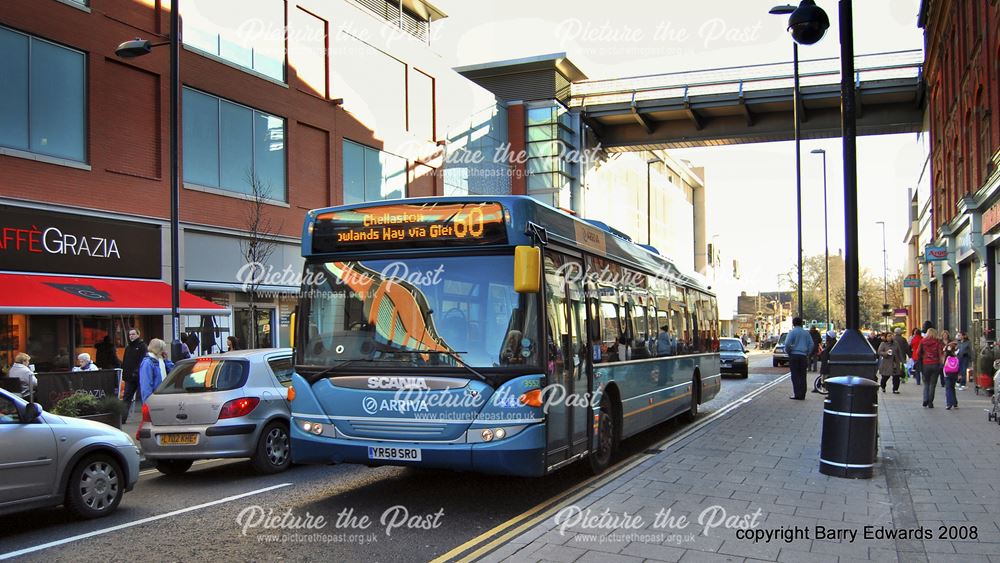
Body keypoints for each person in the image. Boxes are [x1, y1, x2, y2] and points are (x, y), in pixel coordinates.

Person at [121, 328, 148, 424]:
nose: (131, 336)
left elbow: (142, 360)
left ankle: (147, 418)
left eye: (133, 334)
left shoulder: (142, 346)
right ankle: (122, 419)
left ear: (138, 335)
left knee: (143, 398)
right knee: (126, 398)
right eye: (130, 335)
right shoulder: (128, 348)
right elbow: (125, 362)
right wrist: (125, 374)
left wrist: (136, 372)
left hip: (140, 377)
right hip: (129, 377)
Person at [784, 317, 812, 400]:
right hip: (803, 356)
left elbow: (787, 344)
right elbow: (811, 344)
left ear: (793, 324)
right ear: (801, 323)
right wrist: (807, 353)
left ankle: (797, 394)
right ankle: (803, 394)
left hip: (794, 355)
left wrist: (789, 352)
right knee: (803, 376)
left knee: (795, 375)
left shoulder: (792, 332)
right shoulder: (806, 333)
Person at [916, 327, 943, 408]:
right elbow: (940, 353)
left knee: (926, 383)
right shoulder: (937, 342)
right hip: (935, 364)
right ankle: (930, 402)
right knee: (932, 384)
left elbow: (918, 353)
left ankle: (925, 399)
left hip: (926, 364)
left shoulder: (923, 341)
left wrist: (922, 357)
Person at [139, 338, 168, 403]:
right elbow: (146, 385)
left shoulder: (160, 361)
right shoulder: (148, 363)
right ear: (158, 350)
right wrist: (148, 402)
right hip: (154, 400)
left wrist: (166, 360)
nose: (165, 351)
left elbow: (172, 370)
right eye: (163, 349)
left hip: (161, 398)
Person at [942, 336, 960, 410]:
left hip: (947, 373)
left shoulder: (946, 356)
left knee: (948, 388)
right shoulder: (956, 356)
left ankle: (949, 404)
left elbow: (944, 365)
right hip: (955, 373)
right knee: (952, 388)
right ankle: (955, 403)